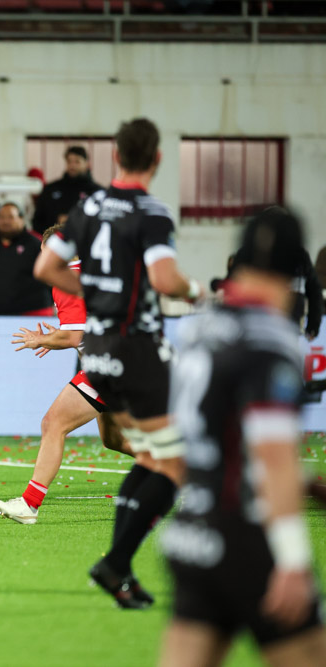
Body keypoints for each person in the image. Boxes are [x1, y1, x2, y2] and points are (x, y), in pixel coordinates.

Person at [34, 117, 203, 609]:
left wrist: (99, 293)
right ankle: (121, 563)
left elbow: (46, 268)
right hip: (138, 346)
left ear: (115, 156)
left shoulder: (86, 207)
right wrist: (199, 293)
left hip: (100, 347)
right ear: (157, 159)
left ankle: (118, 565)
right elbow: (166, 280)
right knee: (168, 459)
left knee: (142, 450)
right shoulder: (151, 212)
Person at [159, 208, 326, 666]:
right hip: (247, 539)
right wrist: (292, 560)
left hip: (191, 533)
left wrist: (306, 484)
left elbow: (216, 436)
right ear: (295, 271)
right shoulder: (272, 338)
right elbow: (272, 455)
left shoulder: (199, 329)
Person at [0, 222, 132, 524]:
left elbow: (72, 337)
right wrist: (57, 337)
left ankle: (29, 504)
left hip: (108, 365)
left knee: (52, 424)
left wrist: (42, 339)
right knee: (114, 441)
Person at [0, 202, 53, 316]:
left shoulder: (37, 244)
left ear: (21, 219)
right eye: (1, 217)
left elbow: (51, 275)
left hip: (33, 312)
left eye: (10, 217)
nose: (5, 221)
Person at [31, 146, 104, 236]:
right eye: (69, 161)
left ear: (87, 164)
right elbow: (37, 221)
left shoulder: (98, 192)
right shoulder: (51, 189)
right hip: (54, 244)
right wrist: (56, 223)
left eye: (77, 161)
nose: (72, 165)